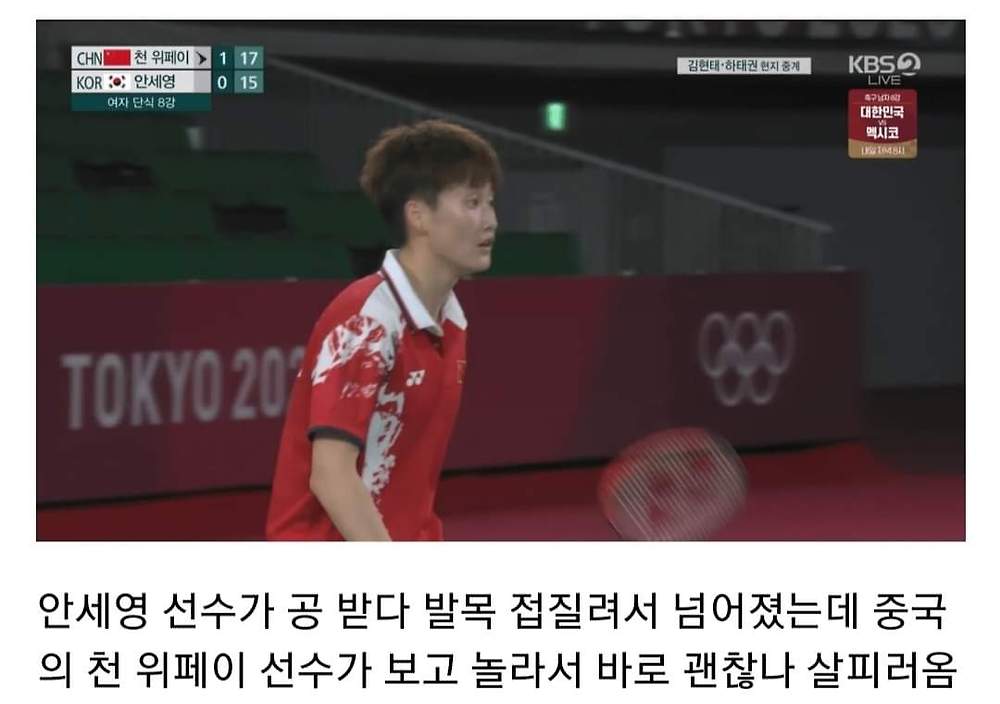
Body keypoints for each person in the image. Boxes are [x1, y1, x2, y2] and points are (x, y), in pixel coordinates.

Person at [265, 119, 501, 540]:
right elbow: (331, 474)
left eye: (489, 202)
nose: (490, 221)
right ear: (418, 215)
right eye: (472, 202)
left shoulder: (452, 320)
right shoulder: (367, 322)